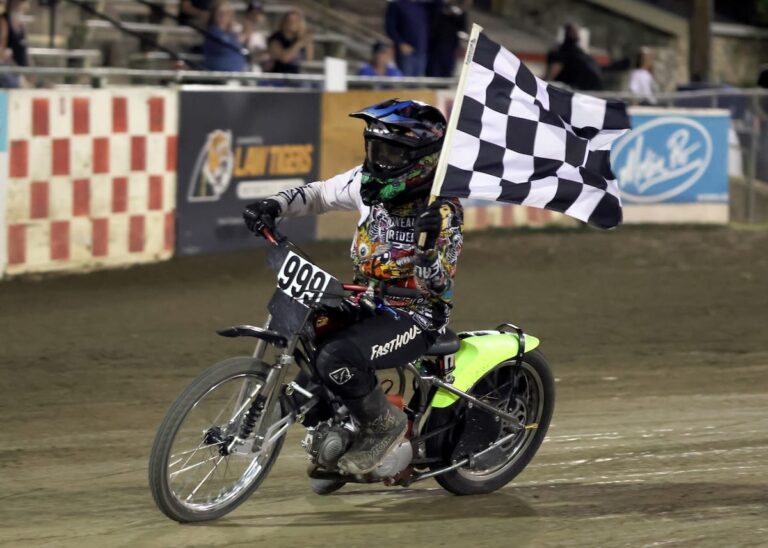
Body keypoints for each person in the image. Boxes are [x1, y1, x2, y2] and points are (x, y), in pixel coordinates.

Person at [242, 99, 463, 475]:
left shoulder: (441, 210)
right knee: (308, 332)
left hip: (416, 313)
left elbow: (438, 283)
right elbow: (319, 194)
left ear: (422, 157)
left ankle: (385, 426)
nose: (380, 160)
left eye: (392, 152)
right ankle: (338, 425)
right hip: (364, 296)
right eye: (376, 148)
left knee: (336, 356)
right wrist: (274, 205)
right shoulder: (366, 182)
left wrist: (426, 254)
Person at [545, 23, 604, 91]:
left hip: (579, 90)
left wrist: (543, 82)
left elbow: (552, 73)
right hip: (594, 89)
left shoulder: (561, 52)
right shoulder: (580, 53)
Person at [385, 0, 433, 77]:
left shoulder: (422, 6)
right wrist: (401, 43)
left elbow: (438, 6)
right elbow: (390, 28)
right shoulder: (396, 4)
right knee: (405, 80)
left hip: (421, 51)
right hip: (406, 52)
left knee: (417, 83)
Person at [202, 1, 247, 73]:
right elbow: (225, 47)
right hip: (219, 75)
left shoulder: (232, 33)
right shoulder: (212, 32)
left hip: (238, 74)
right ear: (213, 15)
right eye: (220, 13)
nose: (223, 16)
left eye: (227, 13)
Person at [426, 0, 468, 77]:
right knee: (435, 68)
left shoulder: (459, 11)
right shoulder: (435, 7)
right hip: (436, 44)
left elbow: (462, 28)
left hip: (451, 44)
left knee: (447, 67)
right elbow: (432, 24)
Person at [267, 9, 313, 74]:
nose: (292, 23)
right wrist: (299, 44)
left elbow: (309, 60)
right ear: (284, 22)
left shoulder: (300, 38)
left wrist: (308, 43)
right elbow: (284, 58)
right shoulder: (276, 38)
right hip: (278, 76)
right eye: (289, 21)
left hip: (297, 76)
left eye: (295, 21)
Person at [241, 0, 269, 71]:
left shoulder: (264, 33)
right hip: (243, 63)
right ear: (247, 14)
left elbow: (266, 53)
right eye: (252, 13)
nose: (255, 15)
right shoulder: (238, 28)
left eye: (258, 13)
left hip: (260, 64)